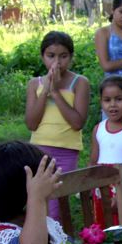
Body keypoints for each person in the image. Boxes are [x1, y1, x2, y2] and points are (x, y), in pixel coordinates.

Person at [25, 31, 90, 222]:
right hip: (39, 149)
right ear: (42, 56)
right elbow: (31, 123)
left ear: (71, 57)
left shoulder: (80, 83)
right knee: (39, 201)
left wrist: (55, 93)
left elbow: (77, 122)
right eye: (51, 56)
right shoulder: (33, 84)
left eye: (63, 56)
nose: (57, 62)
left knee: (57, 206)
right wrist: (45, 90)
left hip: (66, 151)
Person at [89, 76, 122, 226]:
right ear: (101, 101)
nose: (113, 105)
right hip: (102, 188)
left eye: (119, 99)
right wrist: (90, 189)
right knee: (103, 228)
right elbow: (93, 161)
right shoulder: (98, 129)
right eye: (107, 100)